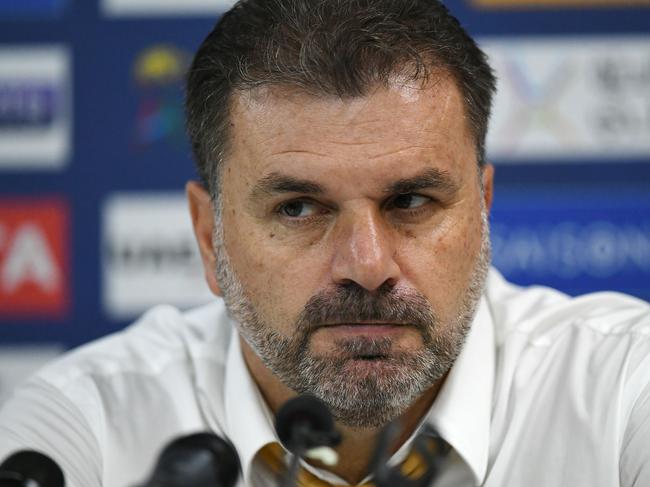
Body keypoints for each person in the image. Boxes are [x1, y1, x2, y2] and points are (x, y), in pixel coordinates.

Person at [1, 1, 649, 486]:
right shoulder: (82, 426)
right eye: (300, 207)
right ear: (209, 237)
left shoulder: (619, 389)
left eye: (411, 201)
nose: (367, 266)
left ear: (482, 209)